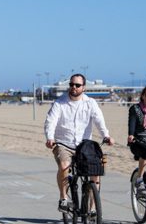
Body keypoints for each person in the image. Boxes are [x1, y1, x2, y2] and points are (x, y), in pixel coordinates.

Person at [44, 74, 114, 212]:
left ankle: (93, 209)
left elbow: (99, 120)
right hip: (63, 144)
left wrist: (106, 135)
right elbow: (50, 122)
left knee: (96, 171)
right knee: (64, 166)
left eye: (77, 85)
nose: (74, 88)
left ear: (83, 87)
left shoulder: (90, 103)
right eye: (71, 85)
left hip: (84, 146)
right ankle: (63, 198)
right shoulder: (60, 103)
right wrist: (50, 137)